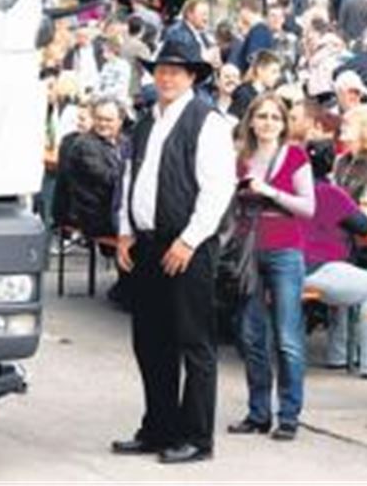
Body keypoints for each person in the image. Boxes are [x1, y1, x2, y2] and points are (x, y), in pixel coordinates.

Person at [112, 40, 236, 464]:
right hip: (147, 243)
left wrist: (189, 239)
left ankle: (197, 437)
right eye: (161, 70)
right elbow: (132, 177)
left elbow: (219, 188)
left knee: (194, 342)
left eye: (176, 71)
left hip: (187, 245)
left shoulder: (207, 122)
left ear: (192, 77)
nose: (166, 77)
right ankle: (158, 428)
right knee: (150, 340)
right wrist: (126, 230)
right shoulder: (147, 120)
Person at [228, 94, 315, 442]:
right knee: (251, 335)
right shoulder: (241, 158)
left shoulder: (294, 156)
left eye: (274, 118)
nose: (267, 123)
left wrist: (270, 192)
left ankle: (289, 414)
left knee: (288, 336)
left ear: (283, 123)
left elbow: (308, 207)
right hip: (248, 248)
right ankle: (258, 412)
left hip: (284, 249)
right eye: (261, 116)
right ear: (251, 121)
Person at [301, 139, 367, 378]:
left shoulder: (293, 190)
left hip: (292, 267)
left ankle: (339, 355)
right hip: (317, 269)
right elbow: (363, 226)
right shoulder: (330, 193)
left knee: (346, 278)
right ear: (331, 166)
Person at [53, 97, 125, 242]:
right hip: (93, 216)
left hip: (113, 208)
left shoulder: (123, 141)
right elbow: (109, 179)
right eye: (99, 119)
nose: (103, 124)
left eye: (108, 120)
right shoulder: (85, 145)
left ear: (120, 121)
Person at [229, 50, 282, 121]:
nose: (278, 76)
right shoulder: (244, 95)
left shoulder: (268, 94)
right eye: (274, 72)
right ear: (260, 70)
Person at [231, 0, 274, 73]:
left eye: (239, 10)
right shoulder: (259, 30)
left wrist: (242, 83)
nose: (239, 14)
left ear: (246, 9)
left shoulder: (259, 31)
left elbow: (254, 65)